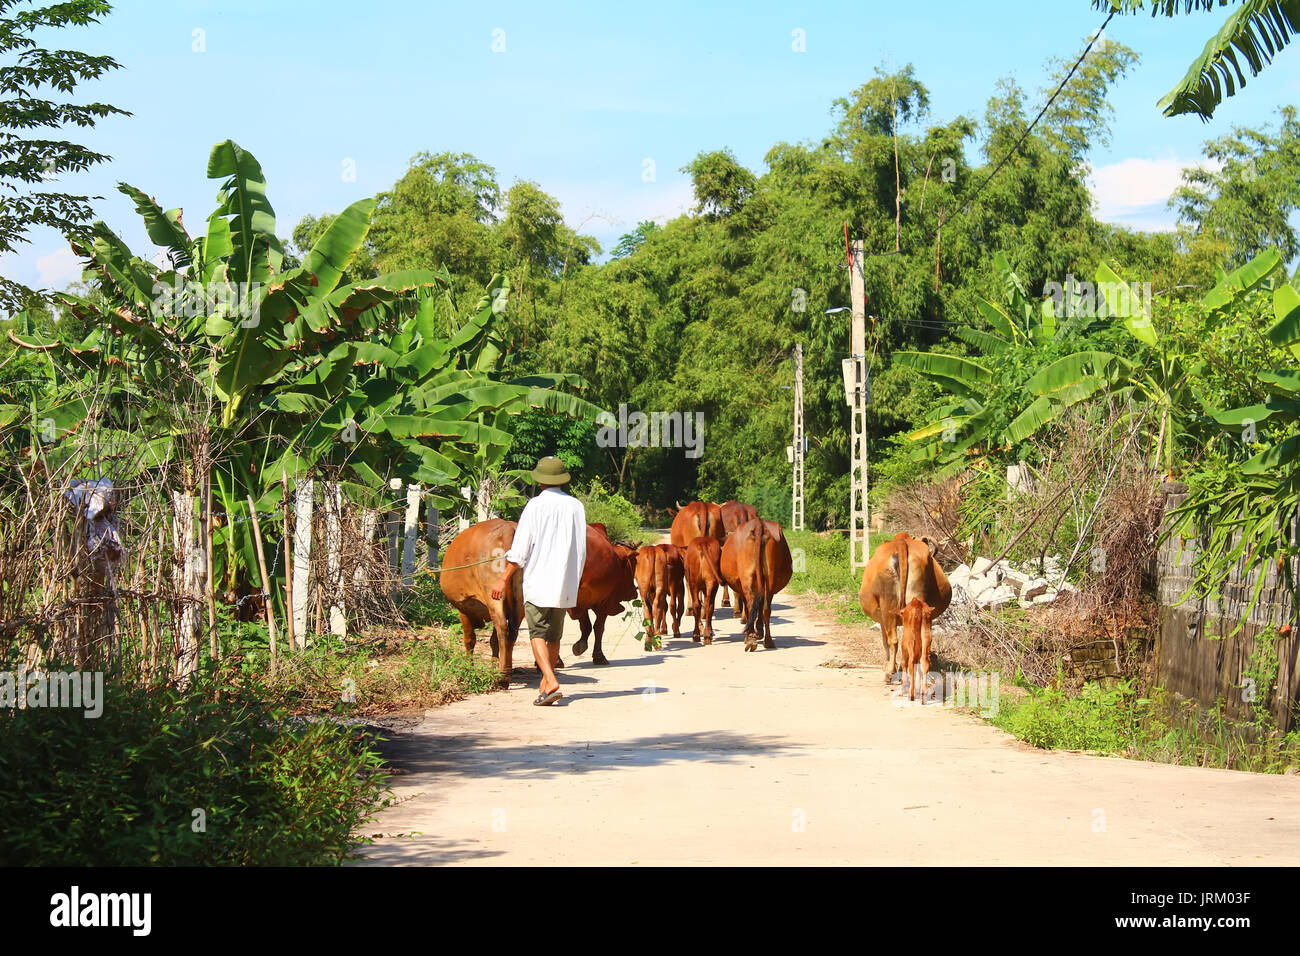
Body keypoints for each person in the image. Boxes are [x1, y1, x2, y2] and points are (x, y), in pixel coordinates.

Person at [490, 456, 587, 705]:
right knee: (554, 635)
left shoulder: (535, 506)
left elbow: (520, 550)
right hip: (565, 582)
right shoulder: (576, 506)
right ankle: (546, 687)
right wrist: (575, 578)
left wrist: (503, 579)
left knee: (537, 633)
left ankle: (551, 680)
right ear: (562, 480)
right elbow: (582, 548)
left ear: (541, 481)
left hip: (540, 581)